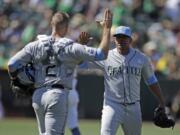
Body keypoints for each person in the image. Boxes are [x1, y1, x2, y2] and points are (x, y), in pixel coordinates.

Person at [7, 9, 112, 135]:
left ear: (52, 24)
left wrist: (14, 79)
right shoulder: (70, 46)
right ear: (66, 27)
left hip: (38, 94)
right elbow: (101, 54)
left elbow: (11, 64)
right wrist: (107, 29)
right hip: (57, 94)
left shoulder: (35, 45)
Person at [81, 26, 166, 135]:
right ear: (114, 39)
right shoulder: (106, 56)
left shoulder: (141, 58)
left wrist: (162, 102)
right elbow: (82, 63)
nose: (120, 40)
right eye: (118, 37)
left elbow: (151, 81)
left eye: (124, 37)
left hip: (133, 107)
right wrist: (81, 47)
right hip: (112, 106)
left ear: (130, 40)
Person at [67, 66, 81, 135]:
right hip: (72, 93)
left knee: (56, 125)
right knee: (73, 126)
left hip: (59, 92)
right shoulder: (74, 55)